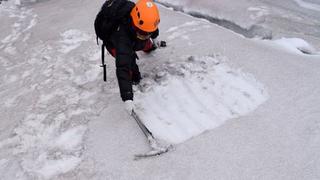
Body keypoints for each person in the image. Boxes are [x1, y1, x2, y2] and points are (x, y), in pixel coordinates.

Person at [103, 0, 162, 114]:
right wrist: (127, 98)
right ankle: (135, 79)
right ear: (135, 22)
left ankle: (149, 47)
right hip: (114, 43)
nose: (145, 36)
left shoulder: (146, 22)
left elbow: (152, 28)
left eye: (147, 34)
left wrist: (154, 38)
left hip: (132, 36)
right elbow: (122, 68)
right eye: (142, 33)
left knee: (143, 42)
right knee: (129, 63)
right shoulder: (122, 39)